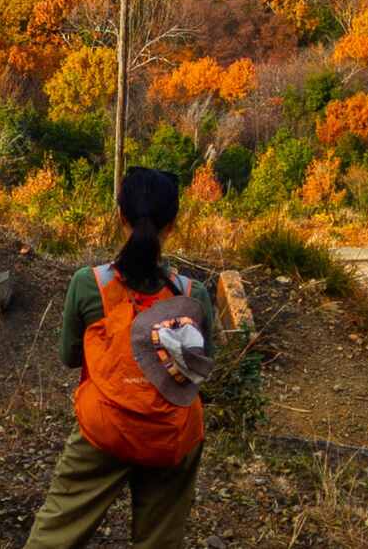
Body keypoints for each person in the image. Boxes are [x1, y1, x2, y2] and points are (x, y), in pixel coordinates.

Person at [24, 166, 218, 549]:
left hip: (105, 428)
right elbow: (201, 366)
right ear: (173, 224)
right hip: (172, 433)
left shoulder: (88, 283)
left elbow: (68, 356)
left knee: (54, 535)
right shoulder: (194, 295)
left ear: (120, 217)